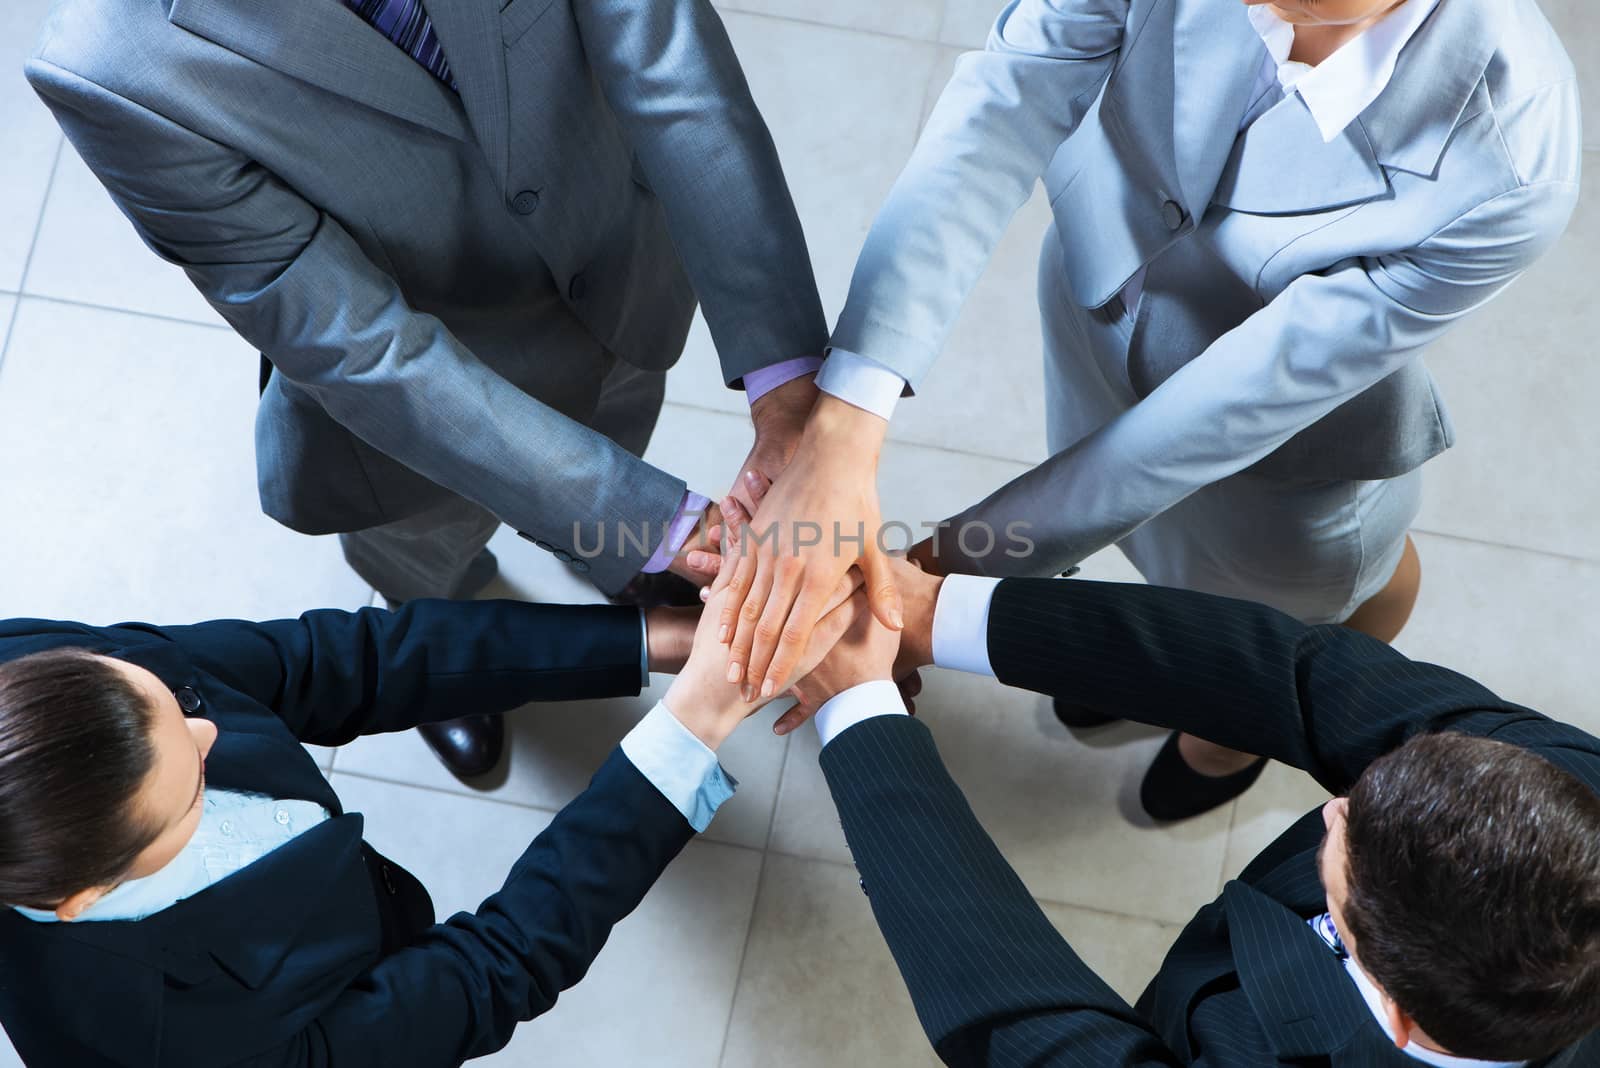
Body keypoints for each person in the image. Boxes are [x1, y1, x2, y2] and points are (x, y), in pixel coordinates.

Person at [711, 0, 1582, 818]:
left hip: (1281, 452)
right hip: (1099, 298)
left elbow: (1235, 403)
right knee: (1126, 546)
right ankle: (1124, 654)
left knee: (1285, 613)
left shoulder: (1512, 162)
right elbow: (1003, 106)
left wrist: (938, 573)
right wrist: (842, 426)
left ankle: (1222, 748)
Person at [24, 0, 831, 780]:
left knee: (624, 433)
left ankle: (618, 564)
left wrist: (785, 378)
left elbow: (674, 70)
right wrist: (654, 518)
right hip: (412, 421)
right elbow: (351, 340)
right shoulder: (109, 71)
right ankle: (452, 659)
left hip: (617, 277)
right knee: (423, 560)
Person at [0, 547, 855, 1067]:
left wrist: (662, 641)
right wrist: (698, 721)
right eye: (187, 786)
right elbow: (494, 968)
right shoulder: (190, 1042)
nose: (209, 730)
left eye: (171, 700)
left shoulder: (35, 674)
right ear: (77, 900)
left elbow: (338, 663)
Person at [781, 558, 1600, 1067]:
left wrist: (861, 715)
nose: (1335, 808)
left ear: (1399, 1020)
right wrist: (932, 615)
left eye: (1348, 867)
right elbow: (1296, 677)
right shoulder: (1566, 780)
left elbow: (1033, 1025)